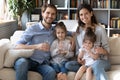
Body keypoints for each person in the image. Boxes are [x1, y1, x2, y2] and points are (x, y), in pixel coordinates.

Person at [65, 4, 111, 80]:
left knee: (96, 64)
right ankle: (90, 68)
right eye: (81, 15)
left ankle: (93, 68)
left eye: (86, 13)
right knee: (68, 65)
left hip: (100, 61)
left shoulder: (100, 29)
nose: (84, 17)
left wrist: (102, 51)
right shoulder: (78, 31)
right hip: (86, 61)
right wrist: (79, 59)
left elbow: (108, 50)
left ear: (91, 13)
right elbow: (78, 51)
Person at [14, 4, 57, 80]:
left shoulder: (56, 31)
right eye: (48, 13)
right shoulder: (33, 29)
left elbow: (72, 33)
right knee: (21, 63)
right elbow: (17, 46)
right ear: (42, 13)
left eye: (53, 14)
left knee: (51, 72)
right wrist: (36, 46)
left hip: (43, 63)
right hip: (28, 60)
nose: (50, 16)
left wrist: (73, 38)